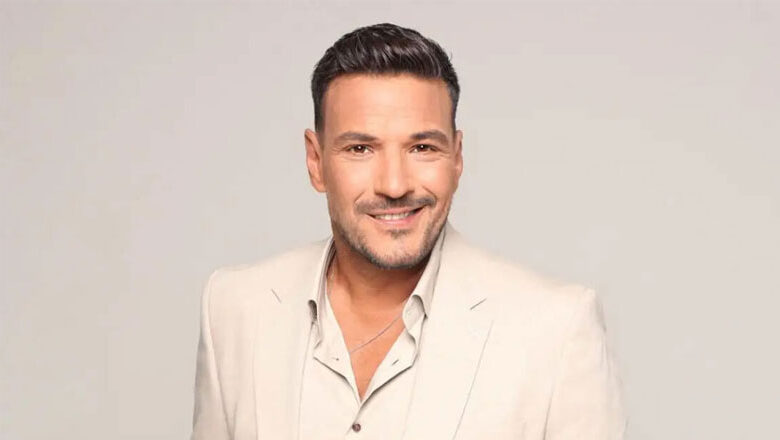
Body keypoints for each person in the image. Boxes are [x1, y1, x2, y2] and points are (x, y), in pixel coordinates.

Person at [190, 22, 626, 440]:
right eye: (360, 148)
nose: (395, 185)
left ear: (457, 158)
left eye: (422, 147)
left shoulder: (557, 329)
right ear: (316, 161)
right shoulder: (234, 307)